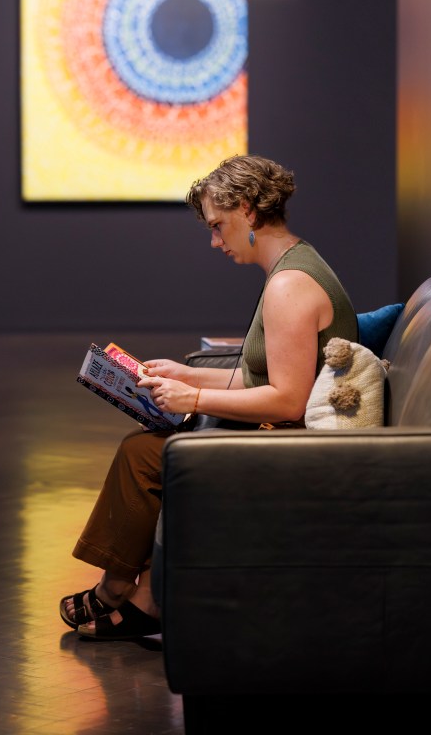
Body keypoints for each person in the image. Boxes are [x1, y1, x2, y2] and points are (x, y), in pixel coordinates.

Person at [59, 153, 358, 640]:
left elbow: (287, 401)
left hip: (294, 449)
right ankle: (122, 592)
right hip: (287, 434)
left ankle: (120, 594)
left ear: (248, 210)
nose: (215, 240)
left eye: (219, 226)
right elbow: (265, 376)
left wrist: (193, 400)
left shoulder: (289, 285)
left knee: (144, 453)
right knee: (143, 449)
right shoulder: (291, 268)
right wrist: (189, 377)